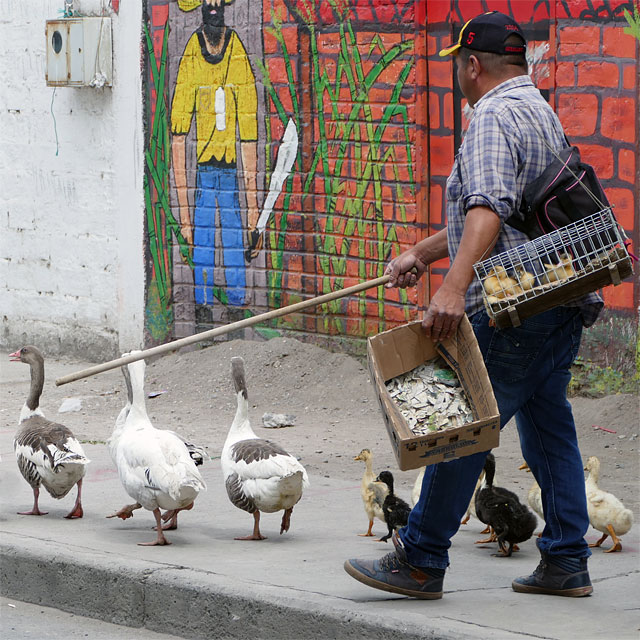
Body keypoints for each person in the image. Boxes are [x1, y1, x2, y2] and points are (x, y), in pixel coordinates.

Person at [344, 11, 602, 599]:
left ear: (472, 64)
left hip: (515, 304)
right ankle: (566, 558)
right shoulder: (537, 109)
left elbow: (486, 211)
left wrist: (453, 288)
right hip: (559, 300)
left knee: (462, 428)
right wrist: (427, 253)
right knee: (549, 429)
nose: (457, 76)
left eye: (458, 65)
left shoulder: (488, 117)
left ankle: (421, 558)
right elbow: (508, 210)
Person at [171, 0, 260, 308]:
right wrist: (184, 214)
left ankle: (237, 308)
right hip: (204, 174)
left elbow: (249, 135)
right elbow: (178, 138)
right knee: (203, 245)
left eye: (218, 1)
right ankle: (204, 309)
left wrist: (253, 211)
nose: (212, 4)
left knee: (236, 242)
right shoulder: (191, 55)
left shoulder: (236, 52)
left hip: (231, 172)